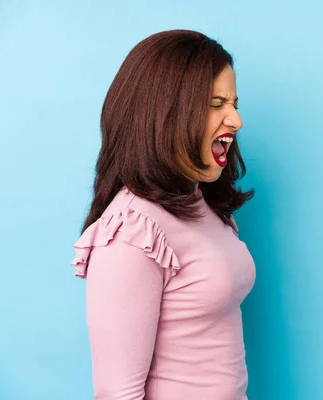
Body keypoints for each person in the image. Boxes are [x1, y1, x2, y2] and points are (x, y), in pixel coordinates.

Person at [71, 29, 256, 400]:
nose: (235, 120)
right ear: (166, 114)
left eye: (234, 103)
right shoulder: (132, 232)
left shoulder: (203, 204)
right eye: (216, 104)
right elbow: (116, 393)